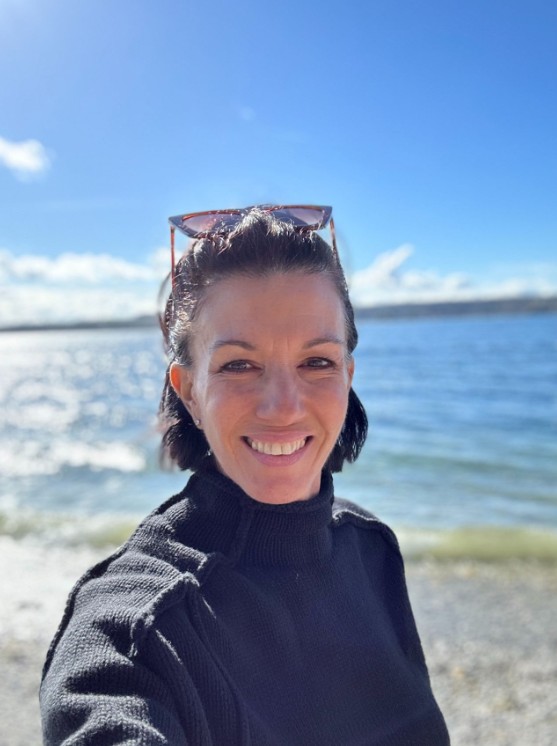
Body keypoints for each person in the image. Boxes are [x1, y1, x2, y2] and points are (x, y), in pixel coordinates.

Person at [40, 205, 450, 745]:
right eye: (239, 365)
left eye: (317, 362)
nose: (283, 407)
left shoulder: (370, 547)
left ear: (347, 376)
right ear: (188, 390)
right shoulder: (135, 629)